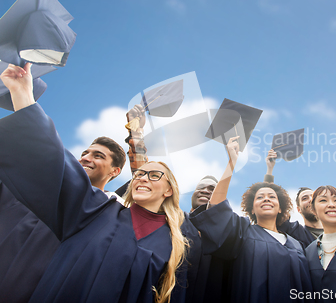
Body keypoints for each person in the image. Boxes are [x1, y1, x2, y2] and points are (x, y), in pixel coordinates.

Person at [0, 63, 187, 302]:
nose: (141, 177)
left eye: (153, 175)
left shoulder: (176, 241)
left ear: (170, 189)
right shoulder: (99, 210)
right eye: (139, 175)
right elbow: (56, 163)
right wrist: (23, 95)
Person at [0, 125, 126, 301]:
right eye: (85, 153)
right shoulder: (39, 190)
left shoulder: (108, 214)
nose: (85, 158)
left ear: (114, 171)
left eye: (98, 156)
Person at [122, 103, 230, 303]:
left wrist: (232, 161)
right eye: (202, 187)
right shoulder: (174, 220)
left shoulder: (227, 234)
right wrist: (136, 130)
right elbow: (147, 177)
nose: (206, 191)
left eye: (212, 189)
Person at [190, 137, 313, 302]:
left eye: (272, 197)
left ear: (281, 207)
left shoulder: (297, 244)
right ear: (252, 208)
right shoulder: (242, 232)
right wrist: (231, 163)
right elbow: (216, 209)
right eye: (260, 197)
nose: (266, 199)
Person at [264, 149, 322, 248]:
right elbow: (270, 200)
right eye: (304, 198)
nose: (310, 200)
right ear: (298, 209)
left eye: (313, 197)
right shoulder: (295, 233)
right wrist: (270, 169)